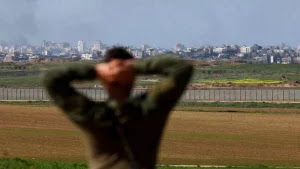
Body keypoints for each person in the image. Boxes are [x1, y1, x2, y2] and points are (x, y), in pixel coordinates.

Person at [44, 47, 194, 169]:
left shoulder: (93, 116)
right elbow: (182, 69)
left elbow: (52, 79)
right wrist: (133, 67)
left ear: (104, 79)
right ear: (133, 77)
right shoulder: (148, 110)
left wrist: (97, 70)